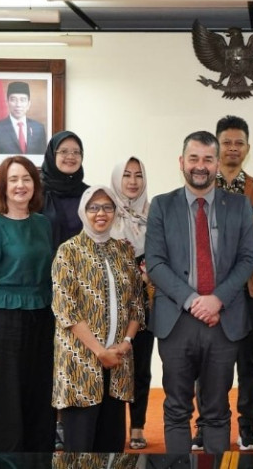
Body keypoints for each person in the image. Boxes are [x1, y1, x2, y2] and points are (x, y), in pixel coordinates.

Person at [145, 130, 253, 454]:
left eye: (208, 159)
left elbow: (247, 259)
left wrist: (217, 298)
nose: (200, 165)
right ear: (182, 162)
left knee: (217, 411)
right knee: (177, 408)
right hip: (177, 321)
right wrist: (194, 301)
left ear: (218, 164)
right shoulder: (162, 206)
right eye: (193, 158)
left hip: (223, 321)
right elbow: (155, 262)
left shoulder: (239, 205)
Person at [189, 116, 253, 451]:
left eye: (239, 143)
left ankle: (247, 428)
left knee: (247, 364)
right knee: (207, 363)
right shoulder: (202, 184)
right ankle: (206, 426)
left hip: (248, 291)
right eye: (227, 142)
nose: (233, 148)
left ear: (247, 148)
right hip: (209, 293)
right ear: (217, 148)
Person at [0, 156, 56, 452]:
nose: (21, 185)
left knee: (41, 410)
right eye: (14, 179)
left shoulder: (43, 224)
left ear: (35, 185)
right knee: (6, 416)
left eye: (27, 179)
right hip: (4, 326)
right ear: (3, 186)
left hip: (42, 323)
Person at [51, 185, 145, 452]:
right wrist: (99, 351)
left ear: (115, 212)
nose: (100, 213)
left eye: (107, 207)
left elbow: (137, 303)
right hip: (81, 363)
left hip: (118, 361)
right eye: (94, 207)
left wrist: (126, 342)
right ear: (84, 211)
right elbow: (65, 309)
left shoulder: (124, 252)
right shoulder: (68, 251)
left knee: (112, 447)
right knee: (80, 448)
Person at [110, 157, 154, 450]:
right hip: (112, 301)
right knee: (113, 362)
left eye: (138, 175)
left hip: (147, 298)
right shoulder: (106, 211)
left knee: (141, 365)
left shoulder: (153, 214)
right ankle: (111, 425)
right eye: (126, 175)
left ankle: (137, 425)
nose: (133, 181)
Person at [41, 130, 89, 250]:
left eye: (76, 152)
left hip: (84, 265)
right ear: (52, 155)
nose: (71, 157)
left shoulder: (90, 195)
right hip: (46, 266)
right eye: (63, 151)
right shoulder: (37, 193)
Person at [0, 81, 47, 155]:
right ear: (7, 102)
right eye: (13, 100)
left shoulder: (39, 128)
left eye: (22, 100)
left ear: (29, 104)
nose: (18, 105)